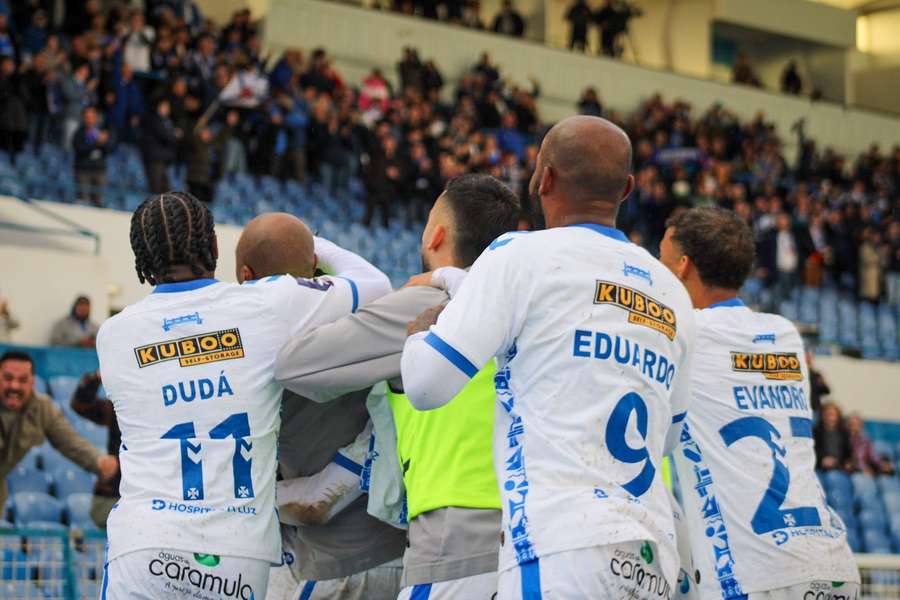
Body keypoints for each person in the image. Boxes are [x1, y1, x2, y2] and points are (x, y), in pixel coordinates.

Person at [401, 116, 696, 599]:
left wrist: (419, 336)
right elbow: (668, 439)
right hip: (649, 553)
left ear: (543, 179)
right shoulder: (672, 292)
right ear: (626, 189)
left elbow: (426, 385)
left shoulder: (518, 254)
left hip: (560, 544)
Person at [94, 193, 391, 599]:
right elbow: (375, 284)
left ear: (141, 260)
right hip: (237, 555)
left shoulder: (113, 335)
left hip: (144, 544)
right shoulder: (268, 303)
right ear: (215, 247)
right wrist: (310, 243)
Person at [275, 174, 521, 599]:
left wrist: (323, 264)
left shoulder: (422, 304)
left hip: (450, 537)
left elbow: (293, 364)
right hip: (523, 536)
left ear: (435, 234)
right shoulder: (523, 306)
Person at [659, 207, 859, 599]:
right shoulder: (784, 334)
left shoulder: (685, 335)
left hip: (754, 576)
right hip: (832, 563)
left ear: (682, 267)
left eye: (661, 261)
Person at [234, 213, 406, 600]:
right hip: (397, 554)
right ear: (314, 266)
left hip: (335, 567)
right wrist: (315, 243)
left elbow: (315, 503)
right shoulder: (364, 321)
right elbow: (374, 281)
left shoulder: (246, 348)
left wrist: (238, 504)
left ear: (245, 275)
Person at [0, 351, 118, 509]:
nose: (14, 386)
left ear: (32, 382)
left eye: (22, 380)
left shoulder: (42, 408)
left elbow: (69, 442)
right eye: (8, 378)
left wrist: (99, 462)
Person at [70, 371, 120, 528]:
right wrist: (97, 376)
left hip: (149, 492)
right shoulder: (118, 408)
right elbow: (80, 404)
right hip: (112, 494)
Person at [72, 106, 111, 206]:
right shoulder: (79, 133)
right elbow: (79, 149)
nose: (90, 119)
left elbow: (109, 149)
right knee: (83, 201)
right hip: (83, 170)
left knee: (100, 201)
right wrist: (96, 143)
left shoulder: (101, 132)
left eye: (92, 116)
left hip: (99, 170)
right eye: (87, 117)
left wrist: (104, 142)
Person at [140, 97, 181, 194]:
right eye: (163, 106)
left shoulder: (167, 121)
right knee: (156, 189)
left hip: (163, 159)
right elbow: (164, 135)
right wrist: (174, 135)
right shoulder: (154, 120)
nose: (166, 109)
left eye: (167, 107)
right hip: (155, 159)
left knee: (165, 190)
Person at [814, 402, 851, 472]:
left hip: (839, 467)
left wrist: (847, 463)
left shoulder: (844, 433)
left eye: (833, 415)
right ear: (822, 416)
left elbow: (848, 453)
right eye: (827, 414)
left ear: (838, 416)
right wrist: (822, 460)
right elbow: (813, 450)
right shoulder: (816, 431)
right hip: (821, 467)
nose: (830, 417)